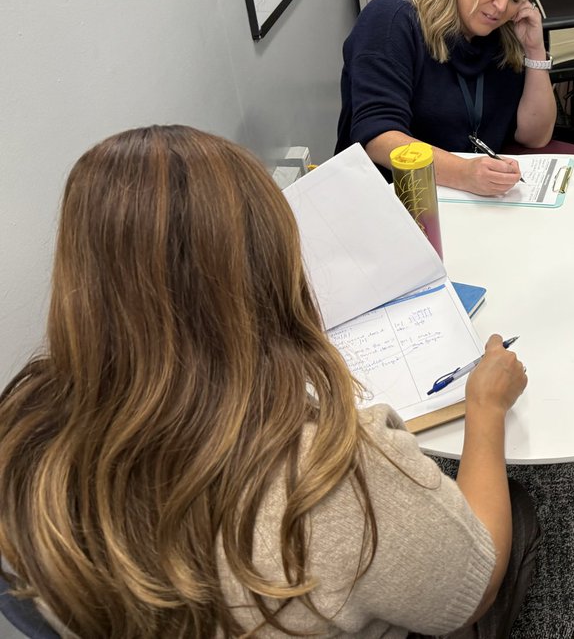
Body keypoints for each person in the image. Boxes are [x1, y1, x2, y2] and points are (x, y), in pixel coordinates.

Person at [0, 125, 539, 638]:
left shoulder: (20, 426)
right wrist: (486, 409)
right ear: (265, 269)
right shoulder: (334, 473)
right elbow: (474, 587)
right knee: (514, 507)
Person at [336, 0, 556, 197]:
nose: (501, 6)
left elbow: (535, 137)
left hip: (468, 196)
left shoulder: (505, 34)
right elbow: (378, 138)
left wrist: (535, 52)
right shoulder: (393, 19)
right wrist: (463, 173)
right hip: (390, 194)